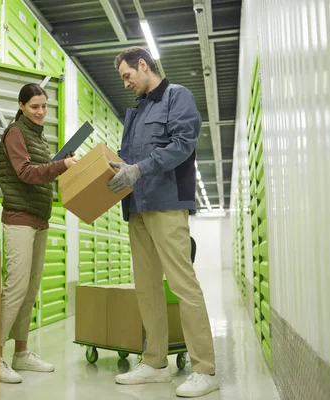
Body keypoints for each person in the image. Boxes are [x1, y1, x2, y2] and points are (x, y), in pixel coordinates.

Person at [107, 47, 219, 398]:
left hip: (167, 204)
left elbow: (183, 144)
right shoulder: (137, 111)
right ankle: (154, 362)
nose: (125, 83)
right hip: (137, 207)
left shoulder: (176, 96)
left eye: (127, 75)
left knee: (183, 285)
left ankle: (205, 368)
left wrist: (139, 168)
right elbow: (131, 158)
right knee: (147, 287)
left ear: (143, 64)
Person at [0, 83, 78, 384]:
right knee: (15, 289)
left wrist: (61, 162)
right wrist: (61, 165)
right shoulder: (15, 133)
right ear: (21, 106)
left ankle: (21, 353)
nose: (41, 111)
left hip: (39, 219)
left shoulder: (38, 138)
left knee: (30, 290)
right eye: (34, 106)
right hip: (19, 219)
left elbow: (43, 170)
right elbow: (26, 173)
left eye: (44, 106)